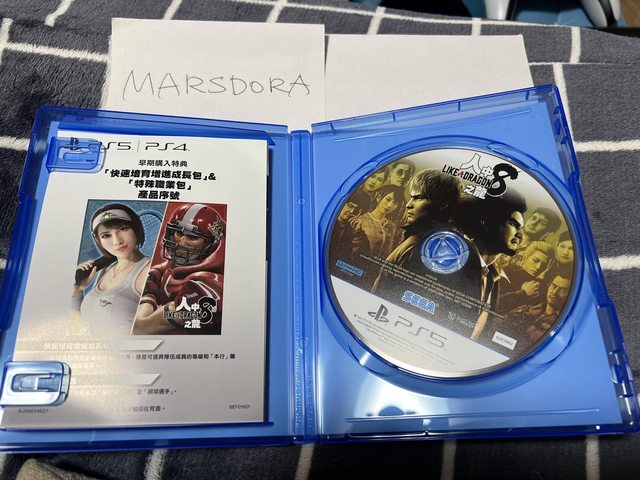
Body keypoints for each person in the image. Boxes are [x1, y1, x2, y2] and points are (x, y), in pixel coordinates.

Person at [132, 203, 225, 335]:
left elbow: (141, 327)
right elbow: (164, 270)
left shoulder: (207, 287)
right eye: (179, 233)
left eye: (193, 237)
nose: (181, 242)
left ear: (211, 244)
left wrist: (149, 294)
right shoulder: (170, 268)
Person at [446, 189, 527, 340]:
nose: (520, 235)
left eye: (520, 227)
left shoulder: (493, 277)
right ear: (487, 222)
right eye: (512, 224)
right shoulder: (452, 260)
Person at [71, 203, 151, 337]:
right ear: (99, 241)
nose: (117, 241)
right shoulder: (106, 270)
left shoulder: (149, 272)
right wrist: (77, 293)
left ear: (136, 228)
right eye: (106, 235)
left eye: (123, 229)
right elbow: (83, 324)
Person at [492, 274, 571, 355]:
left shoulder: (561, 326)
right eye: (554, 286)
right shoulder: (525, 308)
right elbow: (494, 321)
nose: (554, 292)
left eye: (563, 290)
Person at [350, 185, 405, 289]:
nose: (390, 205)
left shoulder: (392, 227)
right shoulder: (361, 220)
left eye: (395, 203)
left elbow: (392, 253)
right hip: (359, 272)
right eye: (388, 199)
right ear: (379, 197)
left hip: (379, 278)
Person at [498, 241, 555, 314]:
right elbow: (491, 303)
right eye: (535, 260)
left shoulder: (541, 288)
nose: (538, 267)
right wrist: (523, 293)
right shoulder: (504, 274)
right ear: (525, 257)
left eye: (543, 265)